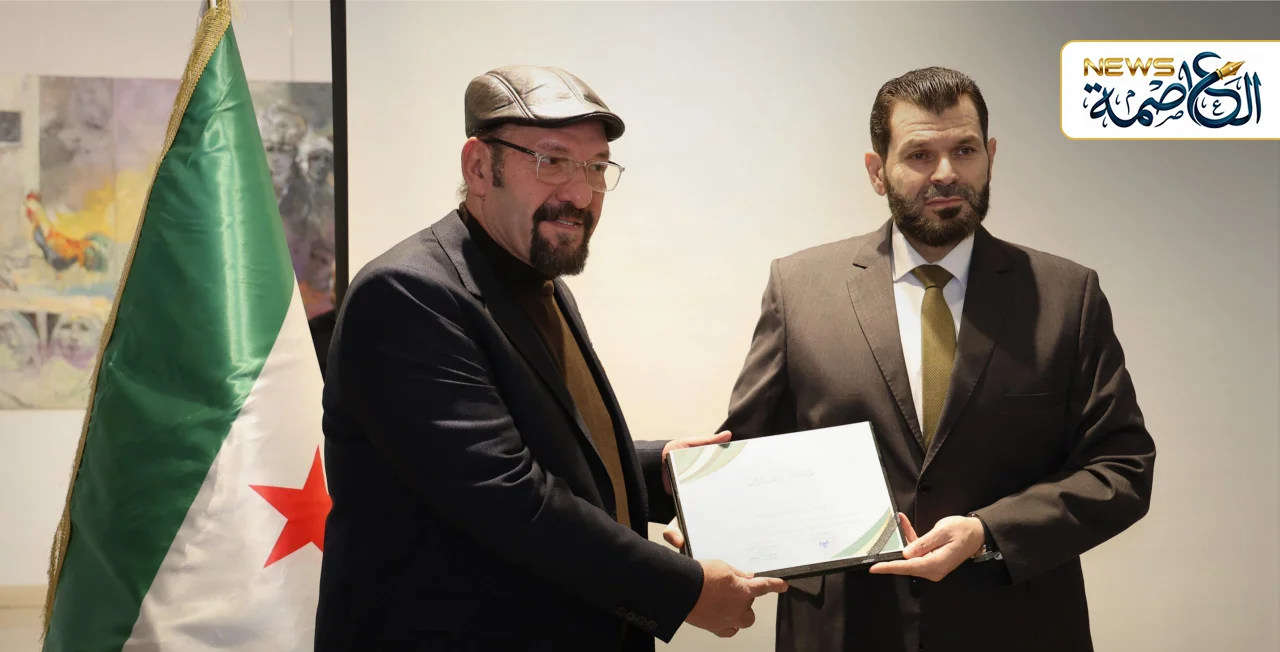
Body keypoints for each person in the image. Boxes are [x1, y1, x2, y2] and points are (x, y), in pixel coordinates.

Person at [667, 66, 1156, 652]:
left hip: (1016, 626)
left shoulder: (1066, 296)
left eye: (964, 150)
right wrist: (711, 523)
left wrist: (987, 532)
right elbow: (751, 451)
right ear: (877, 171)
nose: (946, 173)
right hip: (845, 630)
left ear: (990, 156)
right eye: (920, 154)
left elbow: (1122, 468)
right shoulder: (799, 289)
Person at [315, 65, 787, 651]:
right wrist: (685, 590)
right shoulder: (407, 294)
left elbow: (540, 444)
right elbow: (510, 497)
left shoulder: (536, 279)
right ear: (478, 167)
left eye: (596, 167)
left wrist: (655, 468)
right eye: (553, 161)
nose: (581, 194)